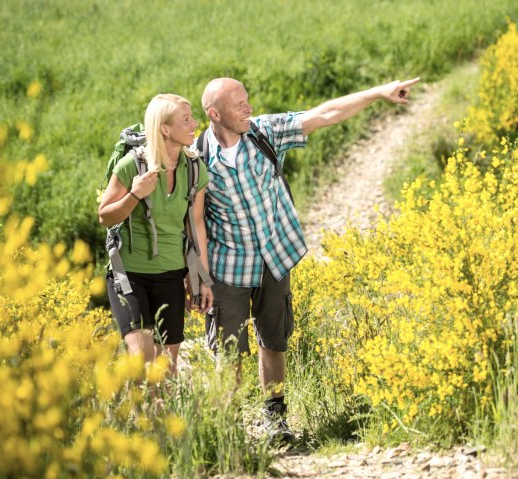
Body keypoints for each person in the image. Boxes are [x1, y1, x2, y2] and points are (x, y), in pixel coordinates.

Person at [200, 76, 420, 442]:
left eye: (247, 101)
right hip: (228, 269)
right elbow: (190, 221)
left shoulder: (264, 132)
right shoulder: (198, 159)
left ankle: (275, 419)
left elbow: (325, 114)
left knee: (274, 339)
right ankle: (229, 433)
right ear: (215, 113)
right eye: (239, 105)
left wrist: (378, 93)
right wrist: (195, 276)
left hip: (274, 259)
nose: (248, 109)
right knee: (229, 353)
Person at [99, 93, 213, 379]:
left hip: (171, 274)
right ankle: (142, 422)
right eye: (186, 120)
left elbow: (196, 225)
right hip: (129, 275)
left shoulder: (195, 169)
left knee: (165, 370)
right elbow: (105, 216)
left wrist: (202, 279)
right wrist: (136, 194)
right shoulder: (132, 166)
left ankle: (159, 423)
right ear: (164, 129)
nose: (194, 124)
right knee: (143, 362)